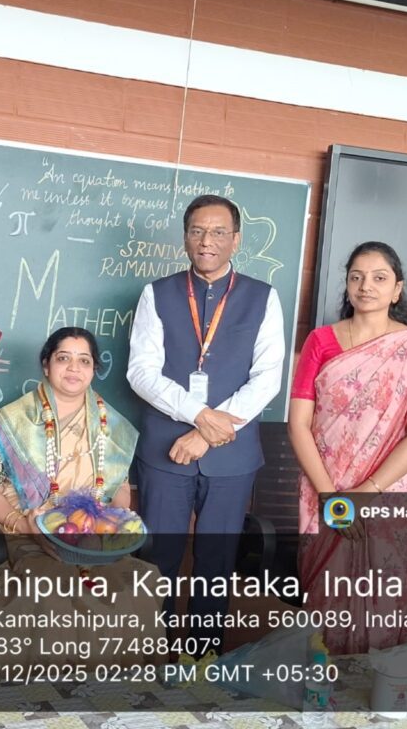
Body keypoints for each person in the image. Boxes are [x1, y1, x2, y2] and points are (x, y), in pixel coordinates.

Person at [127, 193, 285, 654]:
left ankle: (203, 661)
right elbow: (141, 372)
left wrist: (206, 433)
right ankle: (154, 659)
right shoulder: (156, 293)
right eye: (197, 231)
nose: (206, 241)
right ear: (185, 237)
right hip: (164, 453)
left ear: (236, 239)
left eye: (218, 232)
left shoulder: (263, 297)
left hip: (231, 457)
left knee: (216, 565)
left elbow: (268, 377)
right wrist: (196, 415)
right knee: (157, 562)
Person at [288, 240, 407, 654]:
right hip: (324, 486)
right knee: (326, 603)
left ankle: (378, 685)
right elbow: (299, 424)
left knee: (383, 597)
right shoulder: (321, 341)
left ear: (397, 290)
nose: (366, 286)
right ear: (347, 286)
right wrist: (331, 497)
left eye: (379, 278)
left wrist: (365, 494)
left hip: (387, 493)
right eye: (357, 277)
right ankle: (321, 685)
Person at [0, 327, 164, 667]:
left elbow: (119, 488)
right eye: (64, 358)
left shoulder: (112, 428)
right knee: (51, 590)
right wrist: (21, 523)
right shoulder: (11, 422)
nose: (74, 368)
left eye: (84, 361)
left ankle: (119, 692)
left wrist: (114, 519)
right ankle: (38, 694)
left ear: (94, 369)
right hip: (24, 537)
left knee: (139, 583)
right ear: (46, 365)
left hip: (93, 541)